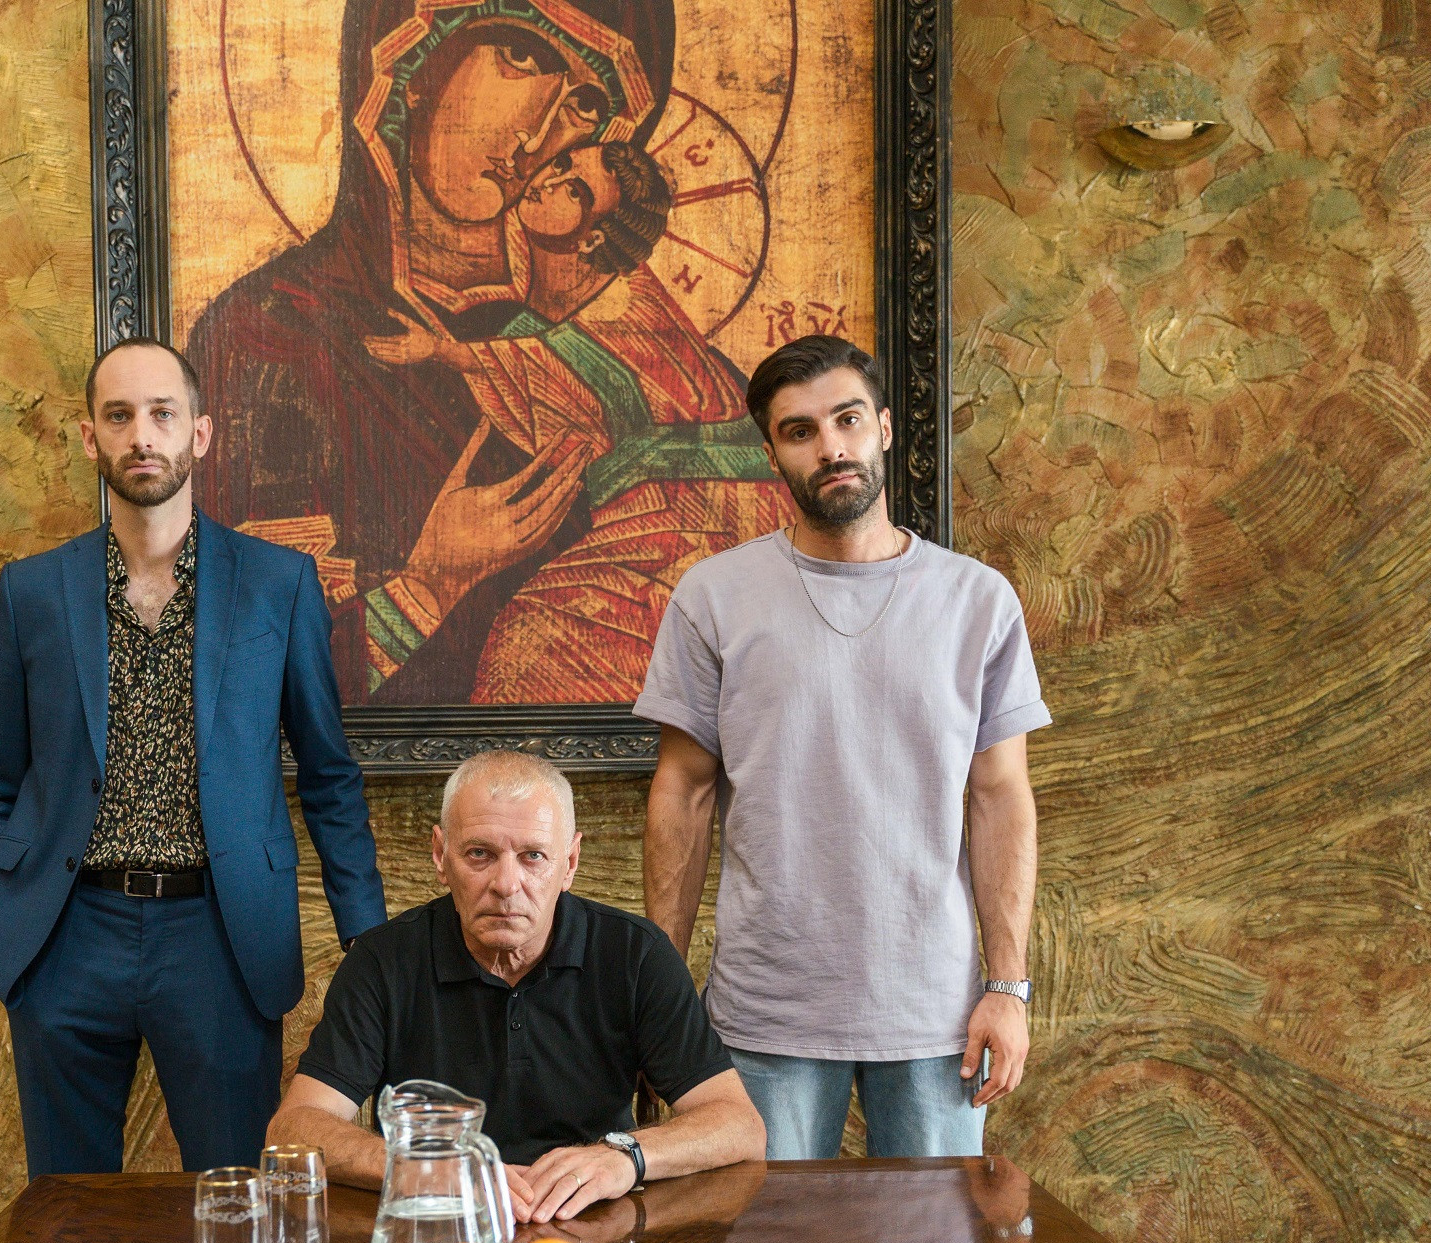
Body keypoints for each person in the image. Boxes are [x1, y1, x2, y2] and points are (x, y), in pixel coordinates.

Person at [0, 339, 387, 1176]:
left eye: (162, 413)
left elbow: (330, 779)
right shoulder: (31, 593)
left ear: (201, 432)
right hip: (67, 935)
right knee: (68, 1215)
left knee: (238, 1199)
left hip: (221, 937)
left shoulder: (278, 585)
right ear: (91, 438)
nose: (142, 435)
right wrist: (0, 907)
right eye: (119, 416)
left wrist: (371, 950)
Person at [187, 0, 690, 704]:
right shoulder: (271, 333)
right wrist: (429, 585)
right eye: (521, 56)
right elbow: (248, 673)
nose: (537, 134)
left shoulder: (613, 368)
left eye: (584, 105)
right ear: (412, 65)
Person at [638, 334, 1050, 1159]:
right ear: (772, 454)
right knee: (767, 1239)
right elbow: (682, 791)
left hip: (936, 1013)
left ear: (884, 428)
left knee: (932, 1240)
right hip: (766, 1010)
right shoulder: (714, 597)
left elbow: (1000, 795)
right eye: (800, 431)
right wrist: (662, 1004)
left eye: (847, 419)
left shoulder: (978, 601)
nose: (830, 447)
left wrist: (1007, 987)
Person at [359, 143, 791, 703]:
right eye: (562, 164)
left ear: (592, 239)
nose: (547, 179)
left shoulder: (627, 306)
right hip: (639, 533)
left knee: (531, 651)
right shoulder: (538, 315)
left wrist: (441, 350)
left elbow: (571, 362)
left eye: (574, 191)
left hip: (680, 536)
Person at [266, 750, 765, 1223]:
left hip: (594, 1221)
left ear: (569, 863)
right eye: (479, 854)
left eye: (533, 856)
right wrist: (431, 1168)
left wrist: (625, 1156)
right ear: (440, 856)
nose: (506, 884)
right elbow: (292, 1130)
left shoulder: (636, 954)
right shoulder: (382, 961)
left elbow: (739, 1125)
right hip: (438, 1222)